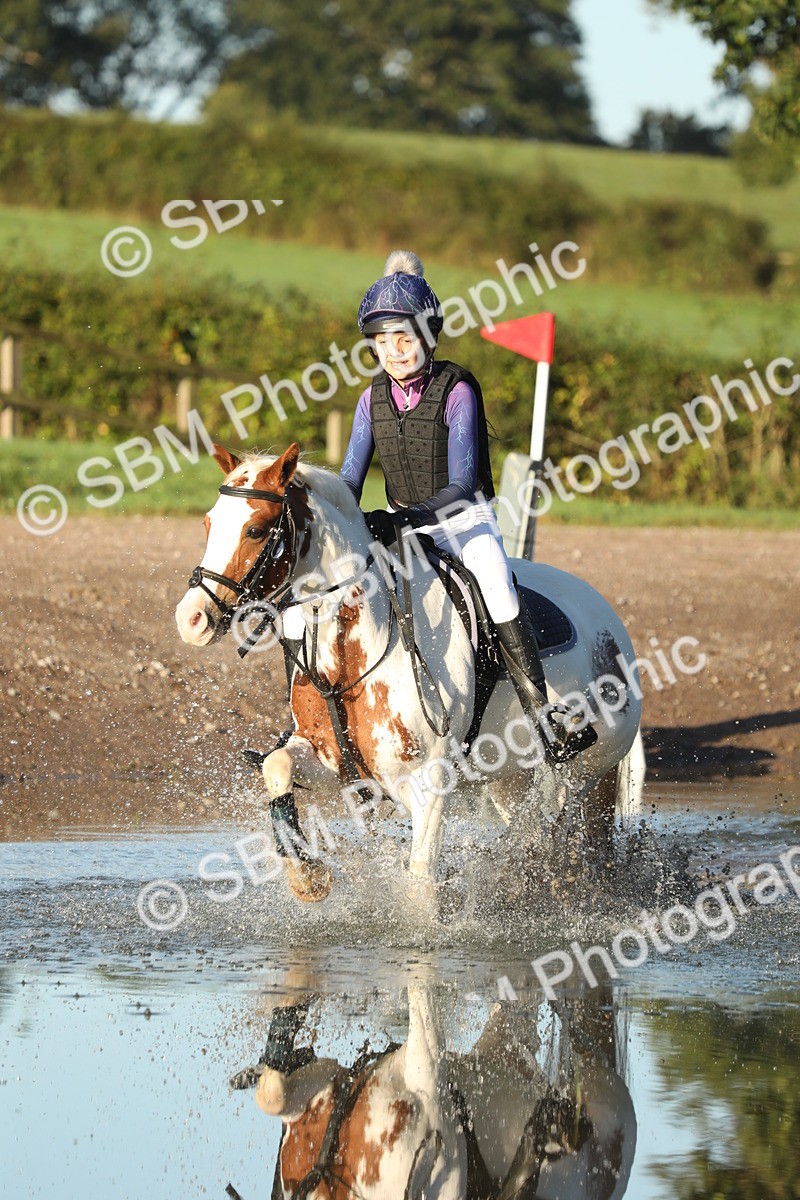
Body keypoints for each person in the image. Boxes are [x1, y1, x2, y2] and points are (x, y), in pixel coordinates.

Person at [340, 250, 596, 762]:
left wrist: (408, 517)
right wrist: (336, 517)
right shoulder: (371, 401)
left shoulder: (456, 390)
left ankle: (545, 716)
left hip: (463, 523)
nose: (395, 350)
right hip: (402, 529)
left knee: (498, 588)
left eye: (405, 338)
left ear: (428, 337)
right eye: (383, 341)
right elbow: (350, 478)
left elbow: (461, 484)